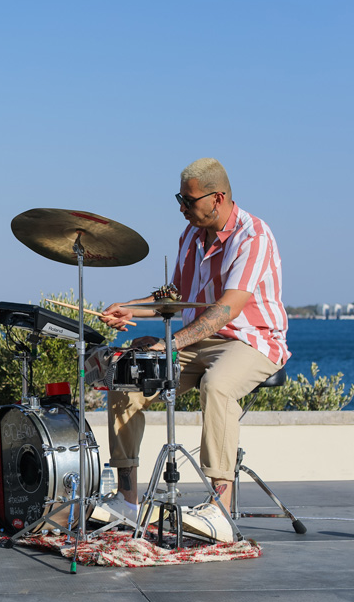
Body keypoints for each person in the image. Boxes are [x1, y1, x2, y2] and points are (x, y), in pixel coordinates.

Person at [99, 158, 289, 540]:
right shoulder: (191, 234)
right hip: (198, 341)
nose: (182, 208)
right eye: (180, 199)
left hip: (251, 340)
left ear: (217, 198)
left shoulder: (253, 236)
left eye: (188, 201)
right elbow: (175, 295)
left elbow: (225, 310)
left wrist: (169, 343)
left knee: (217, 385)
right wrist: (130, 308)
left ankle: (219, 510)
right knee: (128, 376)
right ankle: (127, 501)